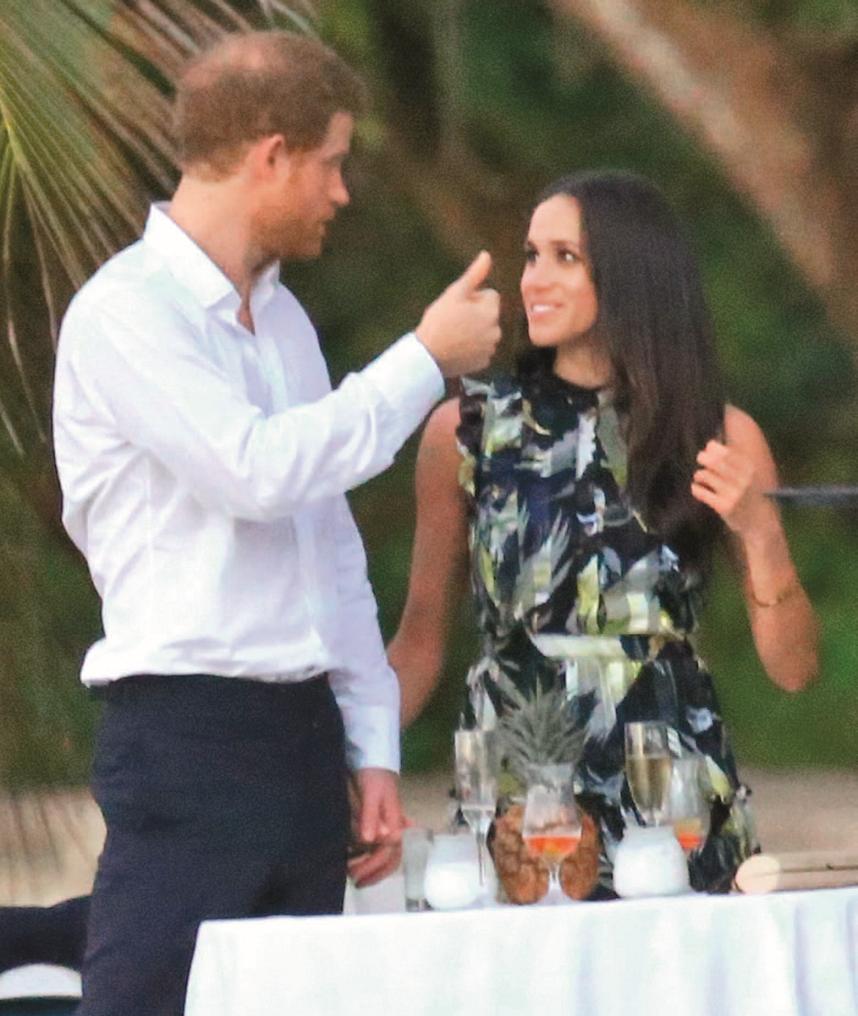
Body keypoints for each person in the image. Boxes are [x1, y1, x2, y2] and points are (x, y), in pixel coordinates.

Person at [52, 30, 500, 1016]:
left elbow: (326, 548)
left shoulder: (285, 321)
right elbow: (255, 471)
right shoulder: (126, 314)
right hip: (186, 732)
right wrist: (425, 359)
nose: (341, 192)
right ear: (271, 155)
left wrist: (370, 744)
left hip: (301, 739)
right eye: (331, 163)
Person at [388, 170, 819, 896]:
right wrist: (352, 767)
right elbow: (420, 640)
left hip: (673, 802)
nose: (534, 280)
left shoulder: (717, 434)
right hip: (520, 804)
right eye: (532, 256)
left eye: (565, 257)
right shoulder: (467, 431)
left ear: (630, 275)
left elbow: (794, 669)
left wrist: (762, 532)